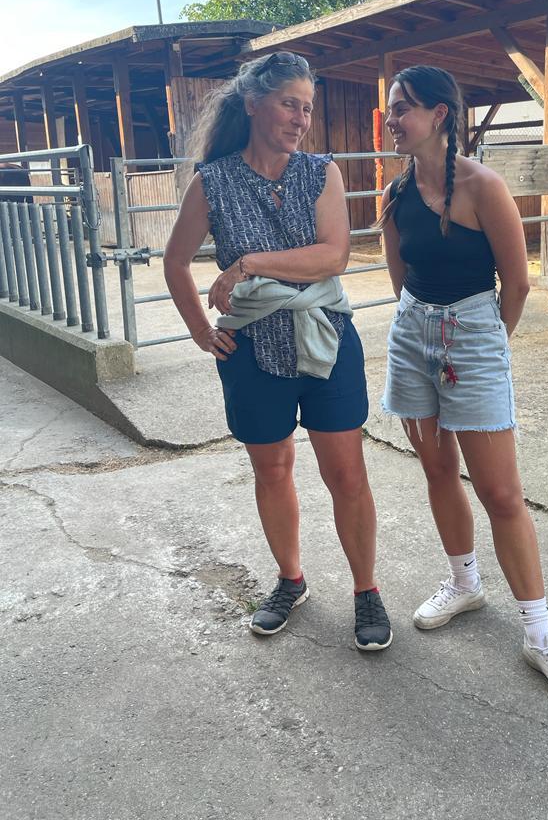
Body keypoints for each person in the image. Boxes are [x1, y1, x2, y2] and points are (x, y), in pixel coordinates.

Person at [164, 51, 392, 652]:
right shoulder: (212, 181)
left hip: (324, 338)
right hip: (249, 348)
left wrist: (248, 263)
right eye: (290, 104)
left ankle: (366, 590)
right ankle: (291, 580)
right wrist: (197, 329)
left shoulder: (322, 172)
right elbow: (175, 261)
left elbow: (333, 256)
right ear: (253, 104)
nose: (300, 118)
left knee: (346, 473)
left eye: (307, 108)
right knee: (272, 468)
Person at [379, 65, 548, 705]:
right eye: (391, 110)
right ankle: (464, 582)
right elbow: (399, 277)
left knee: (502, 491)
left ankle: (540, 635)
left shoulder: (483, 187)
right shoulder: (394, 194)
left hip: (473, 335)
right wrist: (423, 331)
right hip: (413, 333)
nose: (392, 121)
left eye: (402, 109)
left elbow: (518, 282)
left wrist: (484, 345)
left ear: (440, 115)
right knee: (437, 470)